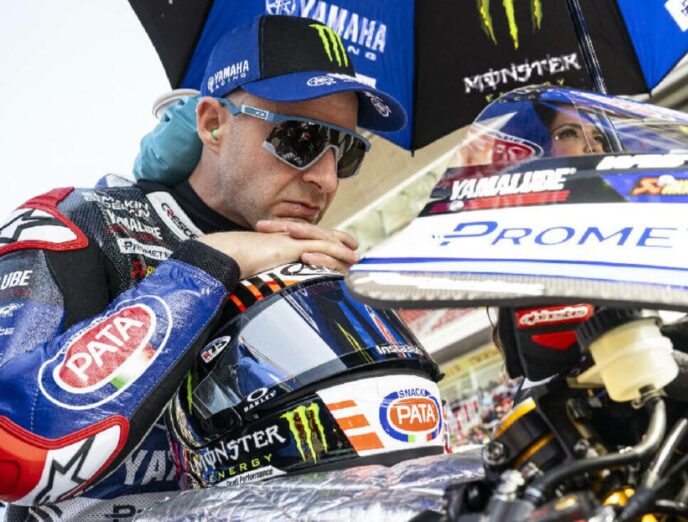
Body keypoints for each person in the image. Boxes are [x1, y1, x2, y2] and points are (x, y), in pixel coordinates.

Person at [0, 15, 407, 521]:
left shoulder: (312, 265)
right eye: (301, 139)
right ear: (214, 123)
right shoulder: (81, 223)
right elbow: (13, 444)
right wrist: (212, 265)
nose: (326, 178)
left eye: (345, 151)